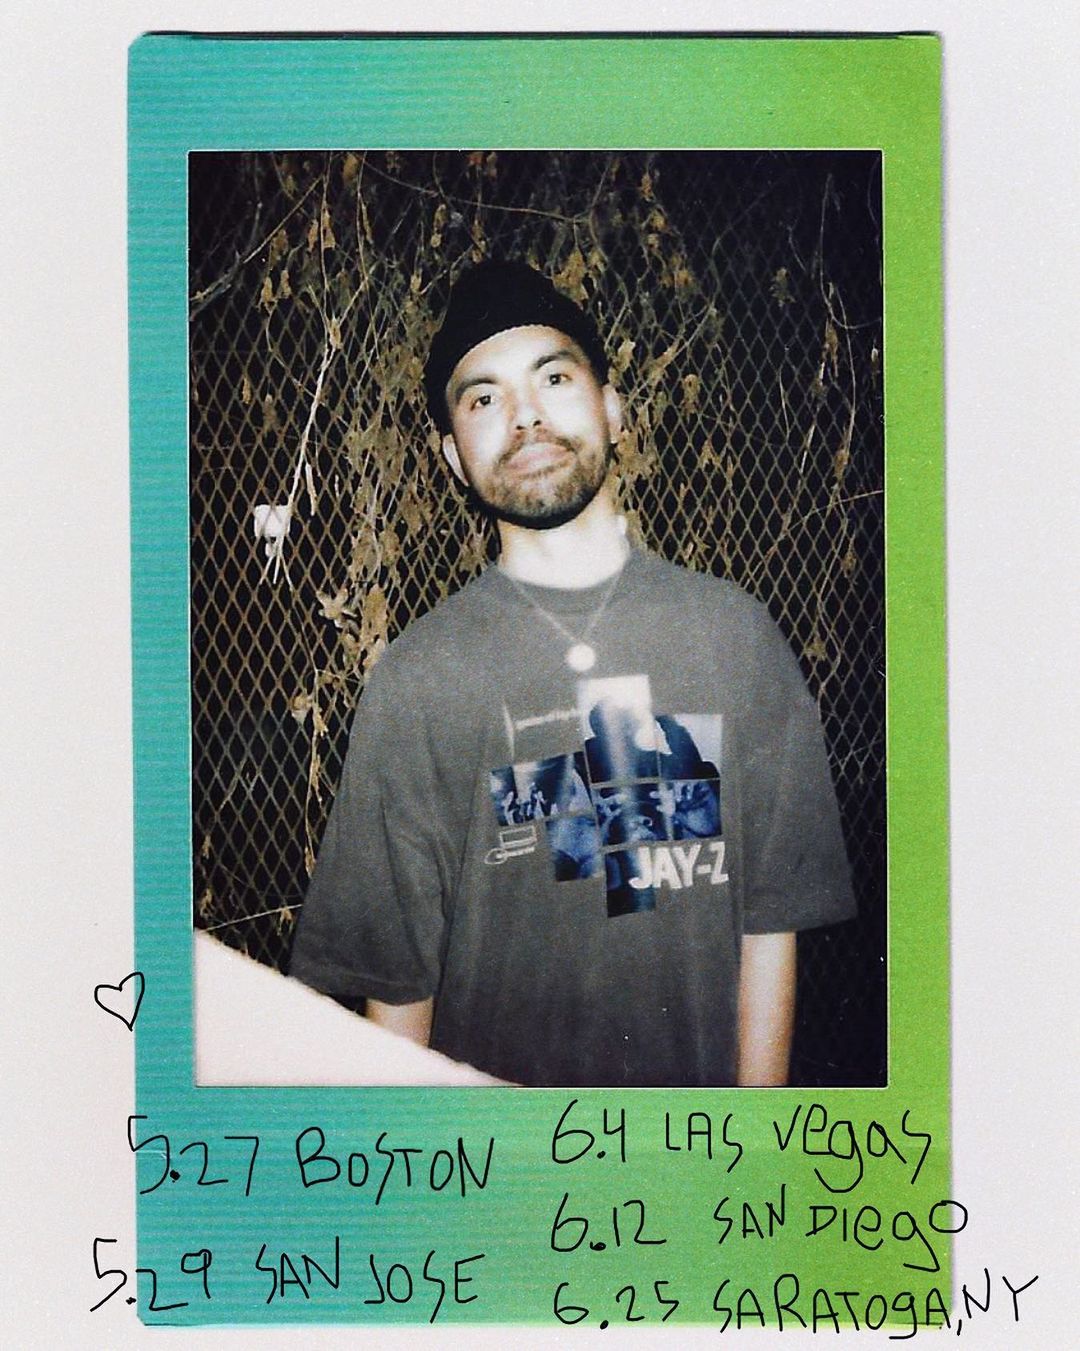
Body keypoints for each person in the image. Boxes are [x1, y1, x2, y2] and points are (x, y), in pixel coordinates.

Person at [289, 260, 855, 1087]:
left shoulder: (735, 637)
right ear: (452, 457)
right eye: (483, 398)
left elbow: (771, 928)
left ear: (613, 409)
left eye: (553, 378)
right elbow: (398, 990)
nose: (524, 415)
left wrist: (751, 1143)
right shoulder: (419, 677)